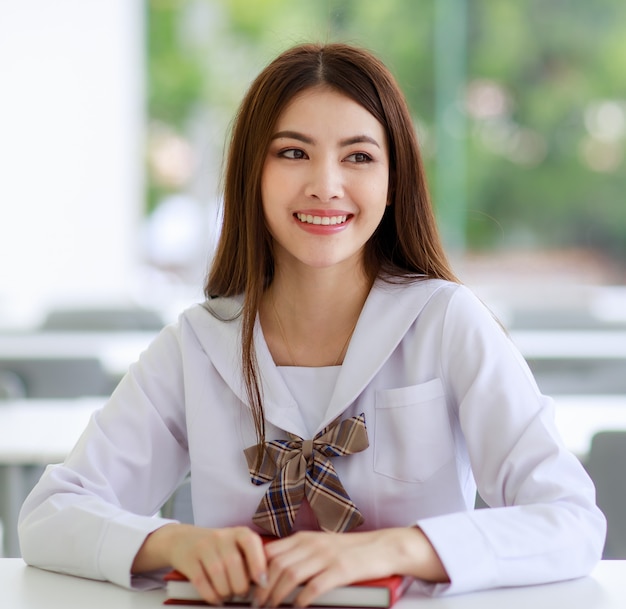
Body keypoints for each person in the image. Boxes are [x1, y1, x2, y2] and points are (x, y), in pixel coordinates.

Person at [19, 42, 605, 606]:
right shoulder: (198, 343)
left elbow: (571, 520)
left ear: (394, 181)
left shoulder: (447, 322)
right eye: (293, 152)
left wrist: (398, 549)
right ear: (253, 173)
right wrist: (176, 540)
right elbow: (50, 513)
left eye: (358, 156)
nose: (325, 184)